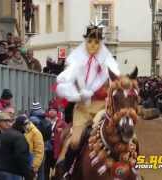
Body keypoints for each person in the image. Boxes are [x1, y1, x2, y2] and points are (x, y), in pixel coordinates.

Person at [55, 24, 120, 169]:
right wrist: (77, 95)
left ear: (101, 43)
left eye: (97, 42)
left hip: (103, 111)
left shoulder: (109, 64)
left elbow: (116, 86)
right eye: (90, 41)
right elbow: (64, 85)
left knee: (124, 140)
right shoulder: (76, 61)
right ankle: (66, 169)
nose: (93, 45)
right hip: (82, 110)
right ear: (85, 41)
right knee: (75, 141)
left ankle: (130, 171)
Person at [0, 112, 32, 180]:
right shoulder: (19, 137)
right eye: (26, 125)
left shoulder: (2, 135)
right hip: (13, 172)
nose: (28, 127)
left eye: (9, 121)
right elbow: (21, 157)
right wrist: (28, 174)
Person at [17, 115, 44, 179]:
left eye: (27, 123)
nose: (26, 125)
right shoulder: (22, 131)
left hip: (33, 164)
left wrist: (34, 166)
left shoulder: (35, 132)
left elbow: (39, 151)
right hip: (25, 164)